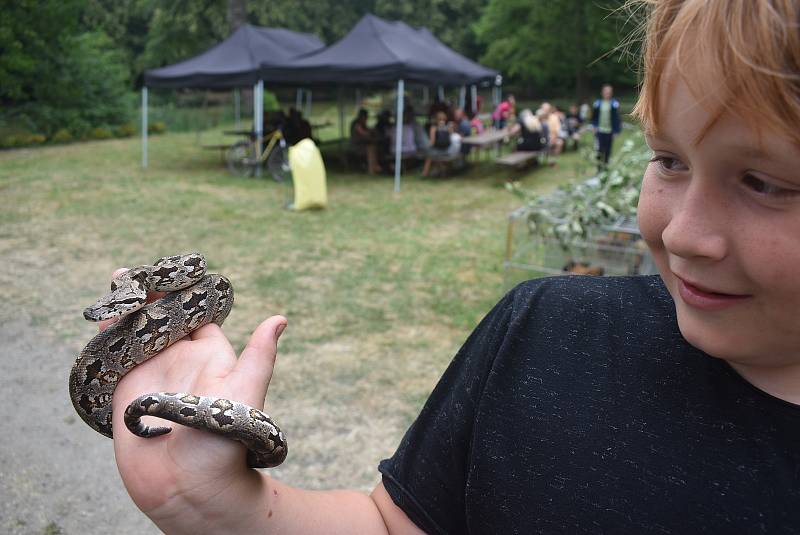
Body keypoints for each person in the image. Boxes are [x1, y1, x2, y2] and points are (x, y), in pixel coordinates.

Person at [109, 1, 800, 532]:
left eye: (765, 182)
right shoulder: (541, 334)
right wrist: (220, 507)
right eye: (669, 160)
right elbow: (393, 521)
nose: (683, 233)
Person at [591, 83, 621, 165]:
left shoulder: (614, 104)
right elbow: (594, 117)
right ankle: (599, 168)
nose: (607, 93)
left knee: (608, 150)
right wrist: (594, 126)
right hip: (599, 130)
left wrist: (616, 131)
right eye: (605, 92)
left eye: (609, 92)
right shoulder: (597, 103)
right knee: (599, 150)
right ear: (602, 92)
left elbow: (617, 119)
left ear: (611, 93)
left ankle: (606, 166)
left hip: (609, 131)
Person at [349, 108, 380, 174]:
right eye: (366, 117)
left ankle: (375, 166)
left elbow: (368, 131)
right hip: (356, 146)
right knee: (371, 149)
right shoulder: (356, 124)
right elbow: (364, 133)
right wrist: (371, 133)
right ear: (362, 116)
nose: (366, 119)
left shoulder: (362, 124)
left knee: (374, 147)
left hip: (362, 145)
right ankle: (371, 169)